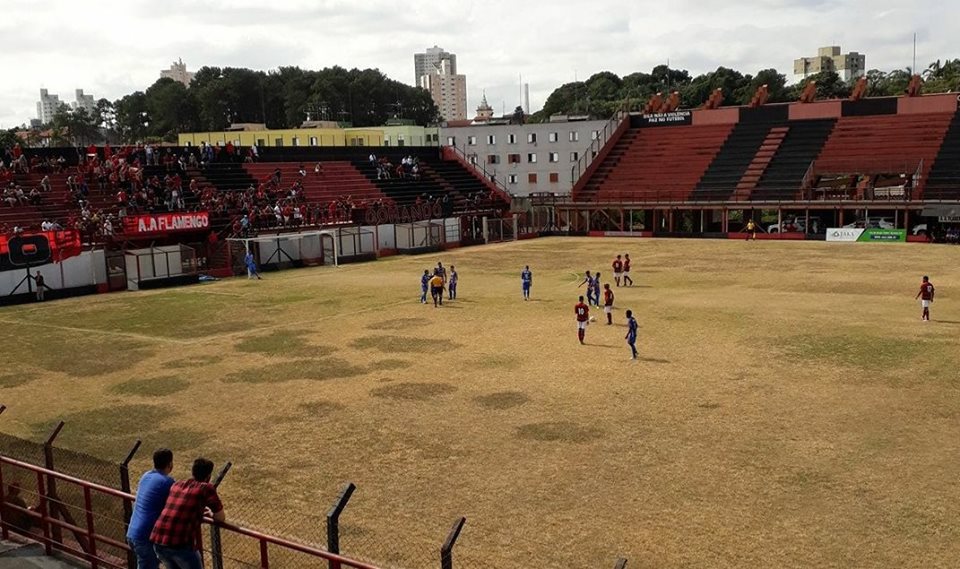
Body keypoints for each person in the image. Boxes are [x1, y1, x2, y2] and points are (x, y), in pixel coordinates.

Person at [150, 458, 225, 569]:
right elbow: (220, 517)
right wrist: (210, 513)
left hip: (158, 541)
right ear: (208, 476)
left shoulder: (177, 485)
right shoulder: (206, 488)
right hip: (179, 544)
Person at [126, 449, 175, 569]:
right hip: (145, 537)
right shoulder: (167, 482)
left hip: (133, 533)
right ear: (170, 464)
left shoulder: (146, 475)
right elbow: (178, 501)